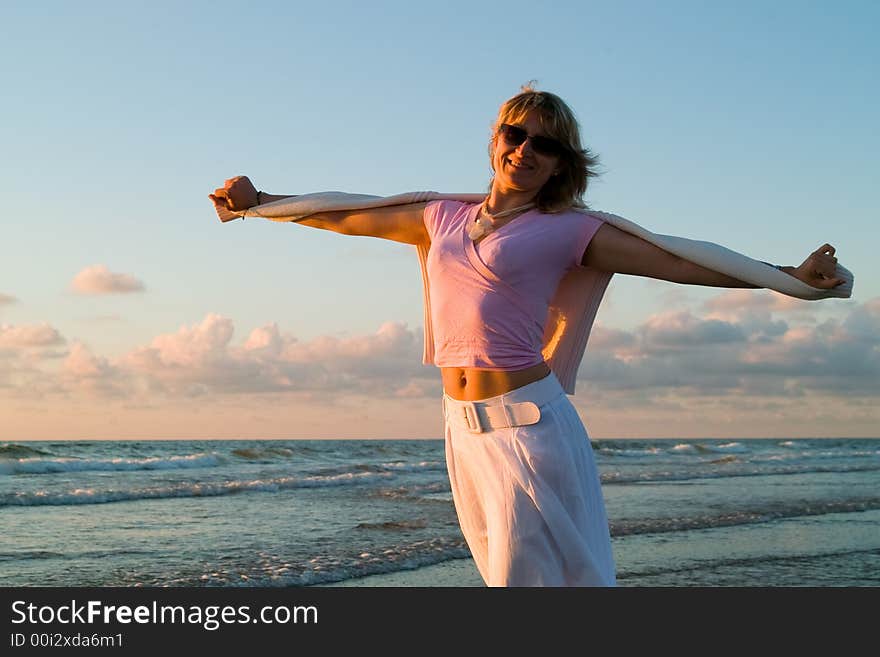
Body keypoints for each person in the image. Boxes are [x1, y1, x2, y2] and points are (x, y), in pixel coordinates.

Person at [209, 86, 846, 587]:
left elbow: (677, 260)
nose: (525, 151)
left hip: (532, 426)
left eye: (544, 146)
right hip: (462, 427)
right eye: (515, 135)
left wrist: (788, 276)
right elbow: (349, 213)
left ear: (562, 165)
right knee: (510, 577)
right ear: (496, 140)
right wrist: (260, 200)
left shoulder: (569, 231)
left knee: (545, 582)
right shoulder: (440, 218)